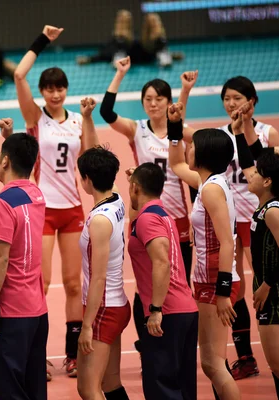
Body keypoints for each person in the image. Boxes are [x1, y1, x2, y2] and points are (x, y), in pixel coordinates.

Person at [183, 75, 279, 380]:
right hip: (229, 219)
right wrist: (184, 94)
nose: (231, 104)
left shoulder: (267, 133)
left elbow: (273, 175)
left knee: (266, 284)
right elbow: (181, 138)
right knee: (234, 286)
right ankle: (245, 356)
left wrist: (247, 130)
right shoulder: (219, 139)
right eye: (226, 99)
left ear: (252, 100)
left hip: (259, 220)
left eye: (237, 98)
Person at [14, 25, 99, 378]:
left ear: (66, 90)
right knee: (41, 282)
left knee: (74, 284)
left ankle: (72, 354)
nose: (54, 94)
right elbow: (19, 74)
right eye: (49, 89)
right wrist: (43, 40)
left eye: (59, 88)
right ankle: (36, 356)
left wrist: (90, 118)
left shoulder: (78, 118)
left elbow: (91, 153)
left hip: (73, 210)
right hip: (43, 210)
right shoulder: (36, 118)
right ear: (42, 92)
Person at [100, 57, 196, 354]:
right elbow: (106, 112)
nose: (153, 104)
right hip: (143, 215)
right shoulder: (136, 129)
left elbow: (178, 122)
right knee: (146, 276)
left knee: (178, 278)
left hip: (176, 216)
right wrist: (119, 73)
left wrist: (185, 92)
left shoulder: (184, 133)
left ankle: (175, 336)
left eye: (159, 99)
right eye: (148, 99)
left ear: (168, 100)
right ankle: (150, 335)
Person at [232, 111, 279, 399]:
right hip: (271, 293)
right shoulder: (268, 200)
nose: (248, 176)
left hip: (276, 295)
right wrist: (241, 131)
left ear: (267, 183)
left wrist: (265, 285)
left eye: (256, 175)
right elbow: (253, 161)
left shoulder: (274, 211)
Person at [167, 102, 241, 400]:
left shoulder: (210, 189)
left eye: (192, 145)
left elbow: (227, 241)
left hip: (215, 281)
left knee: (213, 364)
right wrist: (174, 127)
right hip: (206, 280)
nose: (188, 149)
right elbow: (175, 164)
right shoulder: (208, 181)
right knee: (213, 363)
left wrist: (223, 292)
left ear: (205, 153)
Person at [0, 133, 48, 399]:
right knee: (34, 390)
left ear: (5, 160)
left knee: (10, 391)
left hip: (11, 314)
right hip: (37, 311)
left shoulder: (1, 203)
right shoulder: (37, 195)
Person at [128, 163, 199, 400]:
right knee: (183, 386)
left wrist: (155, 309)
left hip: (167, 313)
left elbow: (162, 263)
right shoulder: (161, 214)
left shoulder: (148, 220)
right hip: (185, 309)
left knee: (163, 387)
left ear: (136, 188)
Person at [75, 146, 131, 400]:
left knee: (88, 389)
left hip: (104, 310)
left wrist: (87, 325)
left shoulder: (99, 220)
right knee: (110, 384)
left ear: (87, 180)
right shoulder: (117, 198)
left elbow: (98, 277)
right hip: (117, 303)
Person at [76, 10, 180, 68]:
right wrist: (89, 59)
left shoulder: (142, 43)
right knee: (124, 15)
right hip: (127, 55)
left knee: (153, 17)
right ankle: (120, 54)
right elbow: (104, 54)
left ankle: (163, 54)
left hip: (146, 54)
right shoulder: (115, 43)